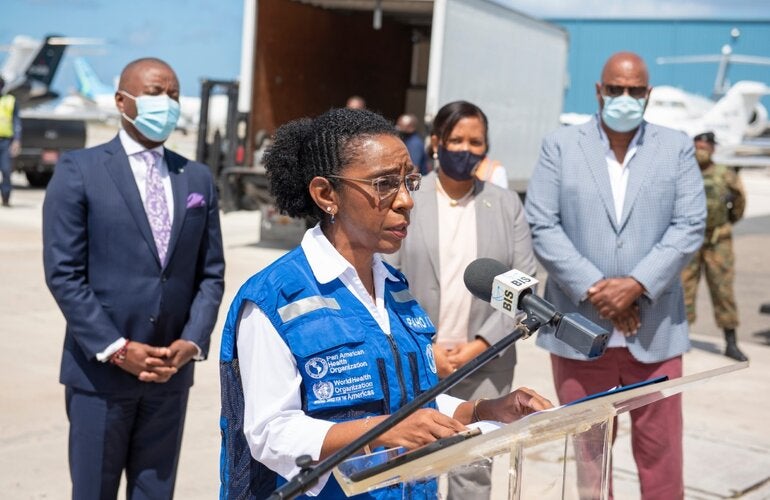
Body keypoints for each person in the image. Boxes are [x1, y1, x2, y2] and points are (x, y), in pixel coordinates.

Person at [218, 107, 552, 499]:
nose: (406, 201)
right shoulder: (273, 298)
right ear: (327, 194)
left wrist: (483, 411)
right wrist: (383, 431)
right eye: (384, 184)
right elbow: (270, 433)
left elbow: (415, 401)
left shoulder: (395, 289)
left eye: (409, 181)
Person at [525, 52, 706, 499]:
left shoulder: (677, 146)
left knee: (661, 456)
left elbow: (689, 224)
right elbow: (543, 224)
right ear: (599, 91)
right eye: (615, 89)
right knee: (590, 460)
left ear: (648, 95)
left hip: (656, 330)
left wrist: (636, 285)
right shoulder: (560, 146)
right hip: (580, 329)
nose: (624, 98)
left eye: (634, 91)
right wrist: (597, 289)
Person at [43, 57, 225, 499]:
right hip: (100, 374)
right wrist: (115, 348)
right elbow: (64, 273)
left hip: (170, 373)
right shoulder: (79, 170)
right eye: (156, 93)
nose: (168, 103)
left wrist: (192, 341)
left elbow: (211, 273)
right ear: (123, 101)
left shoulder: (196, 176)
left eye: (175, 94)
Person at [388, 100, 536, 498]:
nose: (466, 149)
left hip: (486, 366)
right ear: (436, 142)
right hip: (417, 361)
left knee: (472, 474)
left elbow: (524, 283)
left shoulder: (506, 205)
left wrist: (480, 346)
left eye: (476, 141)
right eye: (456, 139)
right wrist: (425, 348)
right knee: (412, 469)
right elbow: (384, 277)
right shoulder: (406, 199)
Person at [682, 131, 748, 362]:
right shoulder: (683, 171)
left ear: (712, 149)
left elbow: (739, 202)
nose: (702, 149)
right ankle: (680, 338)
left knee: (723, 290)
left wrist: (726, 223)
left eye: (705, 145)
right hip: (688, 240)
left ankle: (731, 341)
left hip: (717, 241)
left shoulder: (724, 174)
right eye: (698, 144)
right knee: (683, 290)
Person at [0, 76, 22, 207]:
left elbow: (16, 122)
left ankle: (6, 197)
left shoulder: (10, 101)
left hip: (6, 141)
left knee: (6, 170)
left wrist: (17, 140)